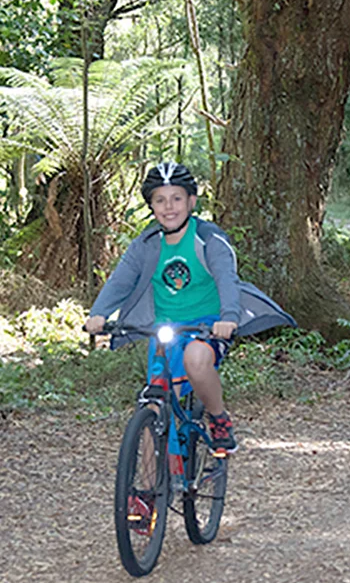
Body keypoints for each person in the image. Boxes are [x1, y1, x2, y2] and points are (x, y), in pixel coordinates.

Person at [85, 161, 296, 452]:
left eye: (177, 198)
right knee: (153, 409)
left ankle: (219, 418)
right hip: (163, 328)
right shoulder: (146, 243)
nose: (168, 207)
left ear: (191, 201)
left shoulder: (209, 239)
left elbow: (227, 280)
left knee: (196, 360)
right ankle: (145, 495)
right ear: (151, 205)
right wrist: (98, 313)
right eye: (160, 200)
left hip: (207, 325)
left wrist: (229, 318)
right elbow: (120, 281)